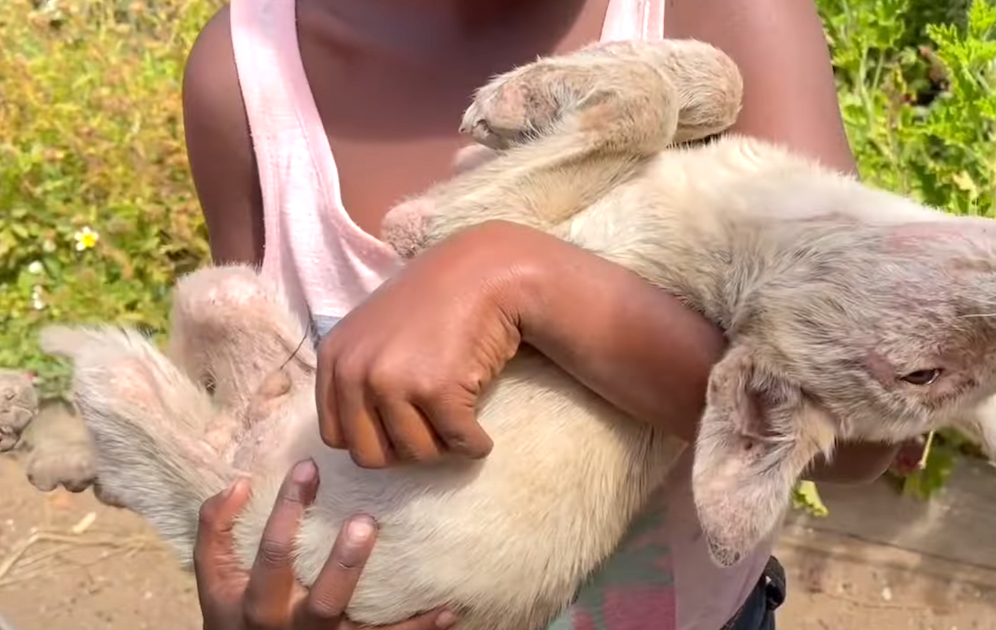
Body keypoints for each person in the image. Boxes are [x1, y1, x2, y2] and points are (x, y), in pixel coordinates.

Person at [180, 0, 910, 628]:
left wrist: (521, 278)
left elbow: (864, 428)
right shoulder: (250, 73)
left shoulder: (720, 19)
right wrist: (252, 599)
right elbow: (258, 419)